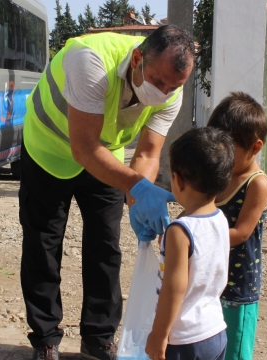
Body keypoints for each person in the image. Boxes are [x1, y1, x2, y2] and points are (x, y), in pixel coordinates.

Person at [18, 25, 195, 360]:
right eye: (158, 82)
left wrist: (138, 197)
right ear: (138, 59)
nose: (165, 92)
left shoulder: (172, 89)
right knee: (43, 242)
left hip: (105, 154)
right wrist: (135, 185)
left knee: (105, 245)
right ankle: (45, 340)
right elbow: (83, 148)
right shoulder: (90, 60)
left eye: (174, 86)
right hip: (49, 147)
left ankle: (98, 339)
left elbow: (146, 154)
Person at [145, 127, 234, 360]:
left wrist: (159, 334)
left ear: (178, 180)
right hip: (214, 331)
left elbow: (174, 287)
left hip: (183, 339)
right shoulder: (220, 219)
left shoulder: (180, 232)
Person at [207, 92, 267, 360]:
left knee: (234, 351)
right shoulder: (219, 173)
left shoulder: (257, 183)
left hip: (238, 287)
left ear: (255, 147)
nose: (220, 156)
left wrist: (196, 238)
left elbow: (241, 233)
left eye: (229, 150)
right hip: (211, 282)